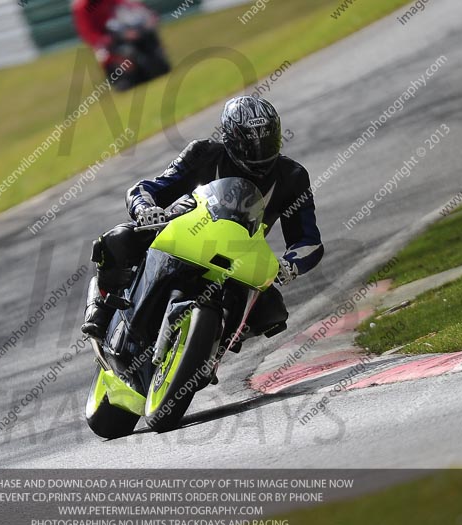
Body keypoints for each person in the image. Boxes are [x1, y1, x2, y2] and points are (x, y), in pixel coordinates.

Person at [82, 96, 324, 363]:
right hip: (185, 235)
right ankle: (101, 310)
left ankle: (213, 345)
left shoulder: (293, 176)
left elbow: (308, 239)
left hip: (239, 259)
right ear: (232, 138)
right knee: (120, 239)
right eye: (249, 141)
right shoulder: (203, 153)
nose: (258, 149)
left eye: (265, 139)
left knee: (272, 310)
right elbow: (148, 188)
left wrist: (290, 264)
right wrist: (145, 209)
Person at [71, 0, 151, 85]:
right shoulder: (81, 8)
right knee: (104, 55)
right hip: (103, 41)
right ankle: (123, 78)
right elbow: (87, 33)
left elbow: (123, 4)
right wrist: (107, 41)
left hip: (116, 30)